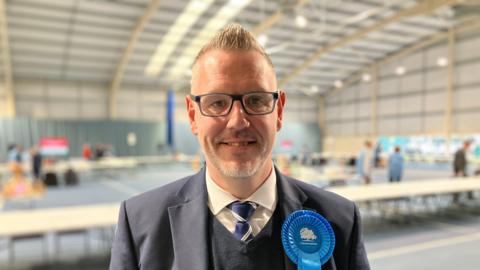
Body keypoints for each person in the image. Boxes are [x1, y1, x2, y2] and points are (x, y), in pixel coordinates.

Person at [110, 24, 370, 270]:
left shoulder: (340, 221)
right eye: (217, 103)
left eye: (256, 100)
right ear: (192, 116)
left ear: (278, 111)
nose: (237, 121)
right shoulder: (140, 224)